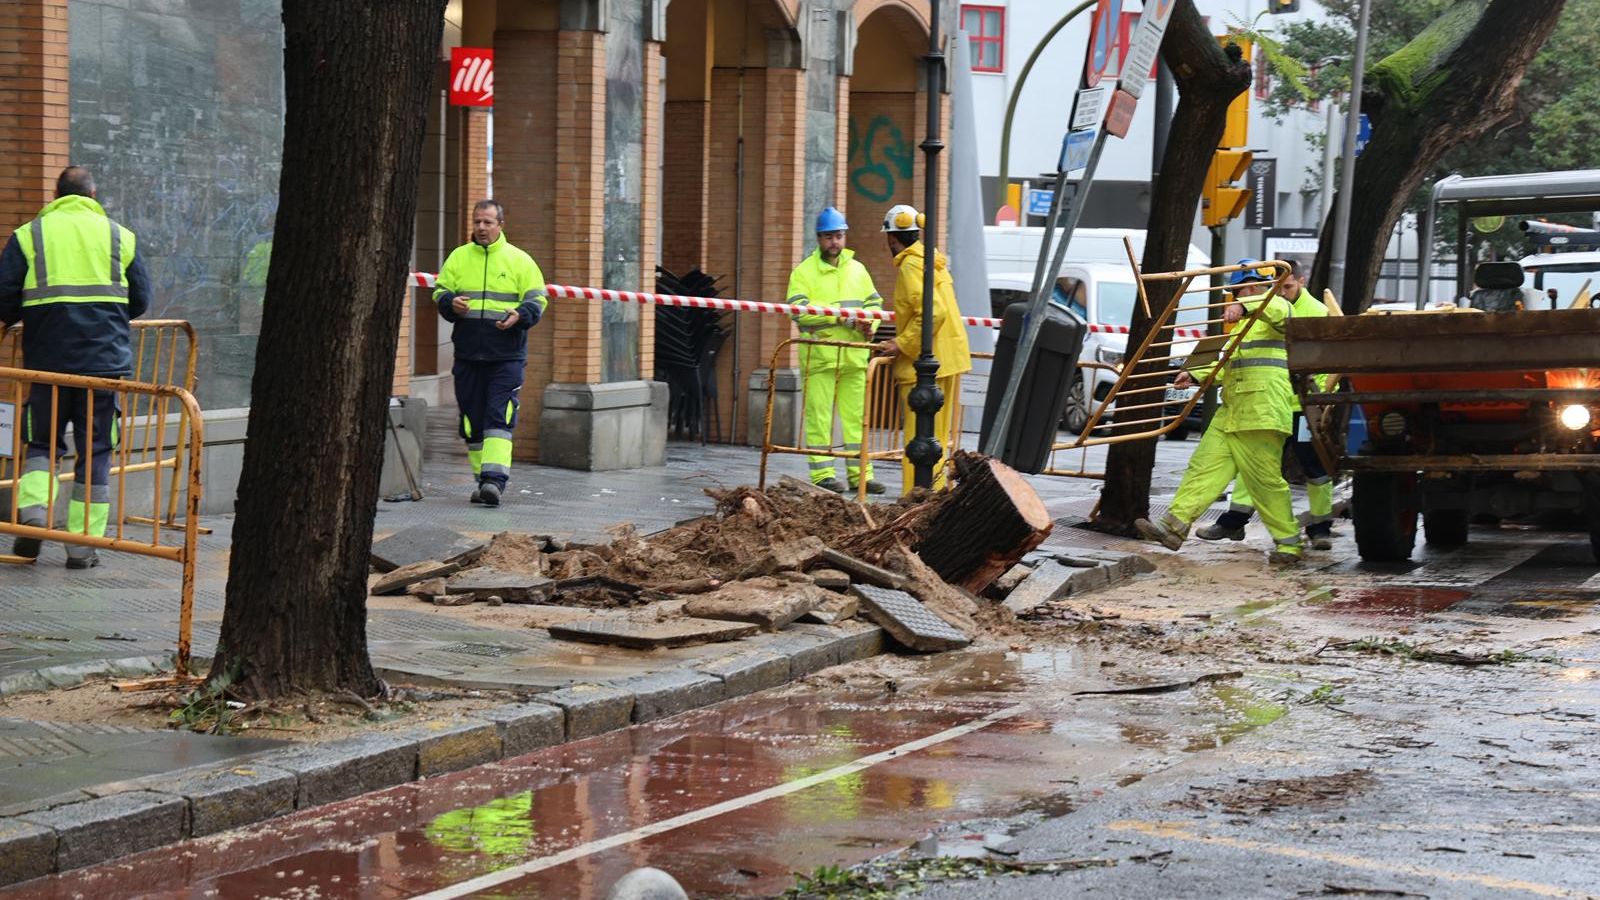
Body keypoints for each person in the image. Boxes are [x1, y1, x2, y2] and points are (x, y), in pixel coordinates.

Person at [0, 166, 151, 569]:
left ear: (56, 194)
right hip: (102, 366)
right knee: (96, 448)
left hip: (47, 362)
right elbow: (140, 300)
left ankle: (32, 520)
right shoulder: (120, 236)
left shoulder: (29, 235)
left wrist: (27, 317)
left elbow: (4, 299)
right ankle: (81, 546)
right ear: (92, 194)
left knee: (42, 444)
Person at [1136, 260, 1302, 566]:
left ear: (1253, 286)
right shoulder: (1241, 324)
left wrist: (1246, 305)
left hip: (1262, 411)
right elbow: (1231, 366)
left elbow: (1277, 312)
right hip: (1235, 409)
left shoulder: (1280, 308)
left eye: (1238, 289)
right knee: (1203, 467)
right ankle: (1173, 527)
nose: (1235, 296)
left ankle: (1289, 545)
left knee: (1264, 483)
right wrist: (1198, 375)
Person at [1195, 259, 1336, 550]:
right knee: (1256, 463)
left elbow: (1324, 365)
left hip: (1303, 407)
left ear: (1301, 282)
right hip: (1274, 403)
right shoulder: (1264, 308)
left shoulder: (1317, 312)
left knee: (1314, 465)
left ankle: (1321, 528)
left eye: (1287, 287)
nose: (1282, 292)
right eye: (1278, 287)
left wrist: (1317, 401)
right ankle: (1234, 521)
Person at [433, 199, 546, 507]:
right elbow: (440, 291)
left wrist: (520, 315)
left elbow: (538, 301)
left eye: (487, 222)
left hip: (506, 357)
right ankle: (482, 481)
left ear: (500, 225)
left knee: (499, 417)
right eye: (477, 222)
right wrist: (449, 303)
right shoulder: (458, 257)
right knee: (471, 421)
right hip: (468, 354)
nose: (481, 228)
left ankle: (495, 481)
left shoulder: (519, 261)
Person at [874, 204, 972, 495]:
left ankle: (915, 499)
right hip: (948, 358)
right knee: (937, 439)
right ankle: (936, 499)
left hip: (925, 366)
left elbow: (934, 312)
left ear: (892, 238)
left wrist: (900, 344)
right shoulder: (930, 260)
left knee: (919, 441)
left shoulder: (910, 265)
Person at [787, 207, 885, 494]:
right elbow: (798, 313)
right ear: (819, 238)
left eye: (839, 236)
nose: (835, 242)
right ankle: (823, 475)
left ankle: (861, 474)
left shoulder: (858, 270)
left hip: (854, 354)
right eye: (829, 236)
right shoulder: (804, 272)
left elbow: (874, 305)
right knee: (820, 418)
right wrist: (838, 316)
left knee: (857, 418)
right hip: (821, 357)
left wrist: (871, 325)